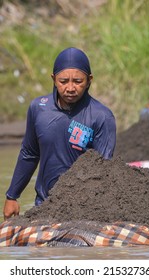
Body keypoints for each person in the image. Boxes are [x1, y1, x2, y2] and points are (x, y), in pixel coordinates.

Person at [3, 47, 116, 220]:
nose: (70, 88)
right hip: (44, 207)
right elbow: (29, 154)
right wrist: (12, 196)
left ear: (89, 80)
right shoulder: (38, 109)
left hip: (85, 211)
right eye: (64, 81)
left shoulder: (102, 116)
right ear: (54, 79)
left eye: (78, 81)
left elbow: (104, 169)